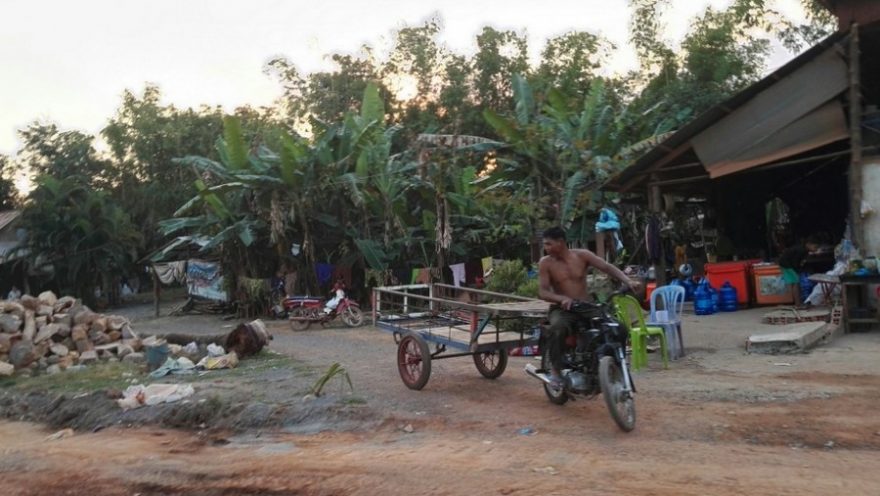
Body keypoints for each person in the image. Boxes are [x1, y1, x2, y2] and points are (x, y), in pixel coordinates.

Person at [537, 226, 640, 389]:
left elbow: (606, 267)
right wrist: (561, 298)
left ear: (561, 242)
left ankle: (615, 364)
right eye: (545, 244)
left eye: (549, 244)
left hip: (586, 306)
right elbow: (542, 291)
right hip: (563, 309)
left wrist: (627, 281)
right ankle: (556, 371)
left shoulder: (582, 255)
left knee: (618, 328)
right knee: (557, 329)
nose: (546, 248)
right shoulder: (546, 263)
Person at [778, 236, 819, 308]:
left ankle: (797, 302)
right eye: (815, 247)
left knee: (795, 282)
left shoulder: (804, 250)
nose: (816, 249)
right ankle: (798, 304)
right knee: (796, 283)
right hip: (787, 264)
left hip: (788, 264)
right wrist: (797, 271)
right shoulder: (801, 250)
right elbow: (795, 262)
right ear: (808, 244)